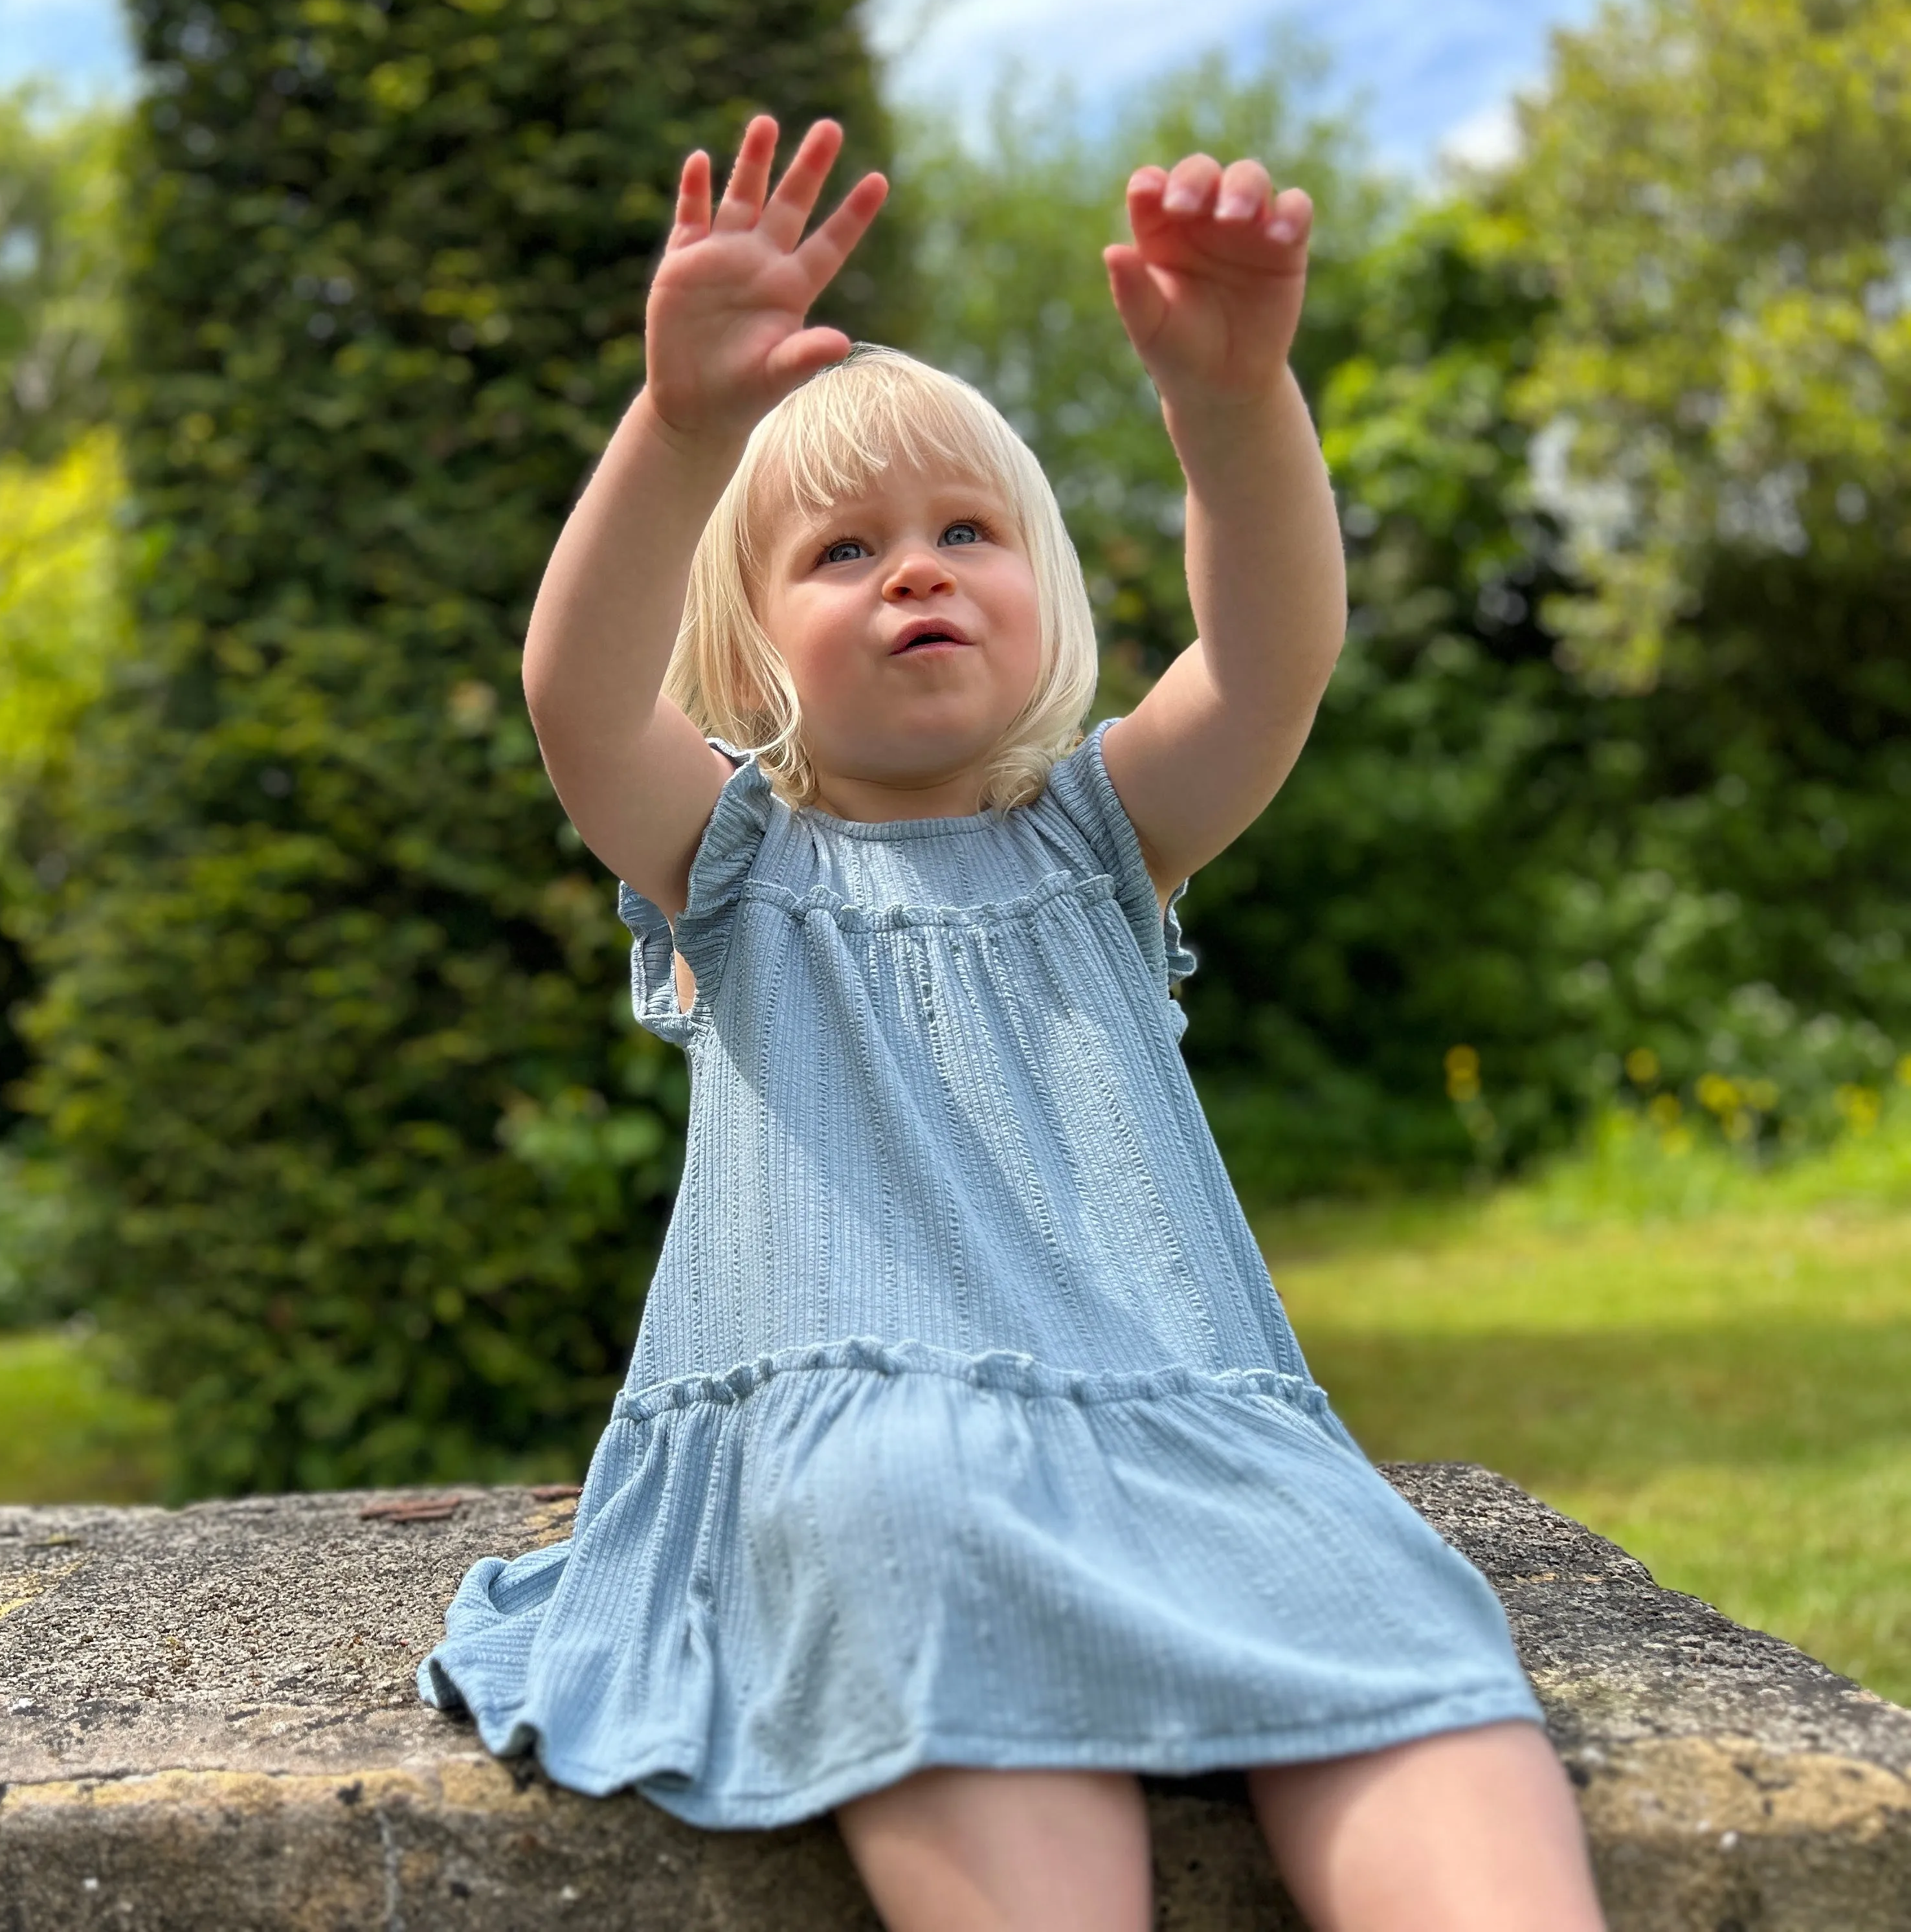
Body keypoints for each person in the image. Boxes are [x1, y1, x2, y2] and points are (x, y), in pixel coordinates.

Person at [418, 114, 1605, 1931]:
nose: (916, 570)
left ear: (1042, 596)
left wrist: (1233, 405)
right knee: (914, 1528)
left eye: (966, 531)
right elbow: (573, 695)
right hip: (870, 1435)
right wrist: (681, 430)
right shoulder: (729, 859)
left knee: (1391, 1614)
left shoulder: (1102, 836)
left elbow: (1272, 655)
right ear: (745, 654)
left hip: (1183, 1421)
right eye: (840, 553)